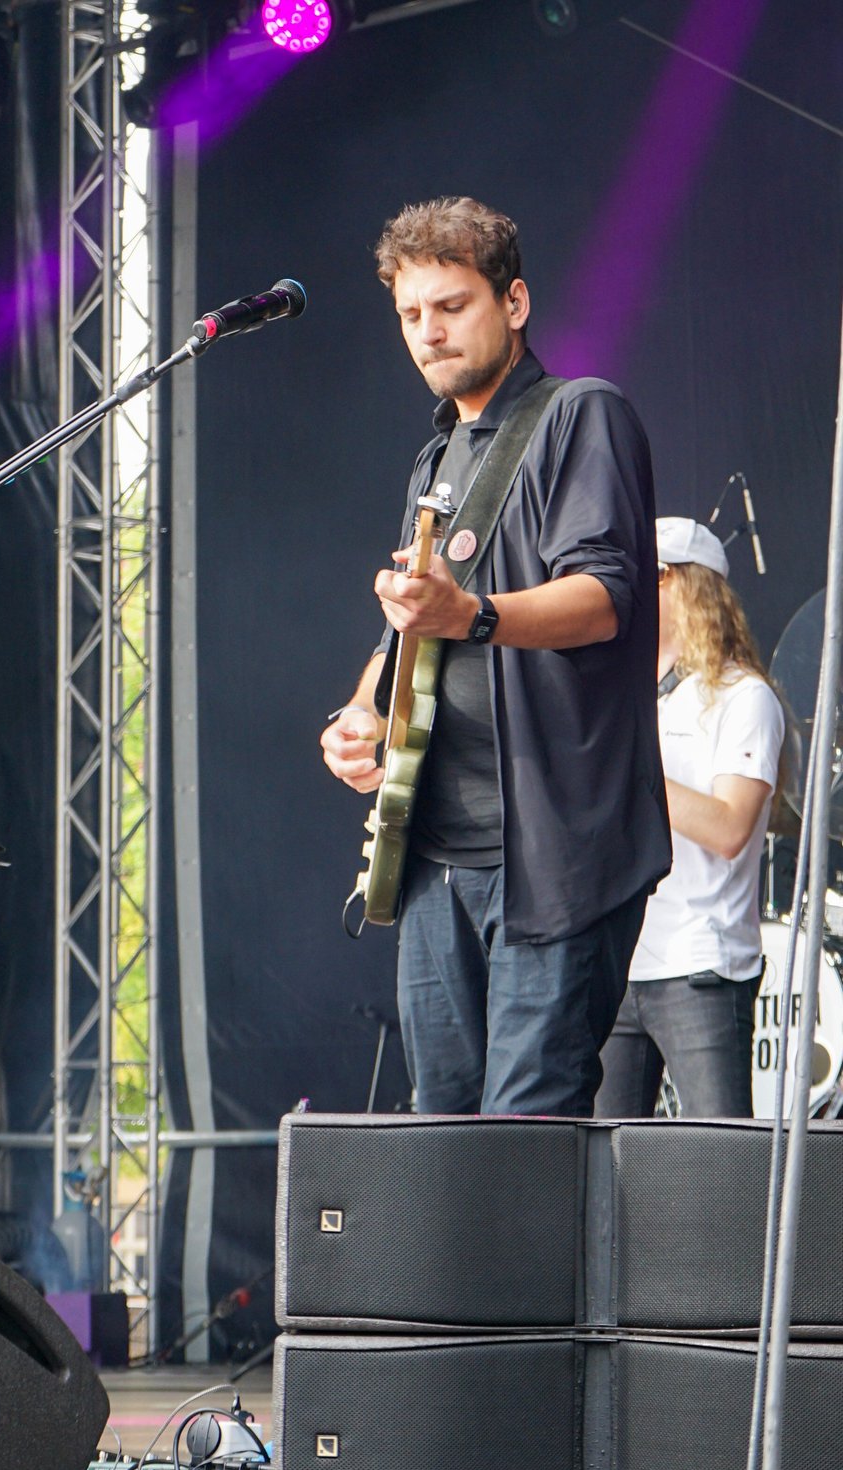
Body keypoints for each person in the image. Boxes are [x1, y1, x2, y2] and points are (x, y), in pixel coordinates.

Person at [320, 196, 671, 1117]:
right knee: (443, 1138)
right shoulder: (435, 459)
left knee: (528, 1137)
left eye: (452, 306)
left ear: (514, 303)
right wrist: (363, 717)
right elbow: (408, 622)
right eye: (410, 314)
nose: (428, 332)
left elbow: (604, 601)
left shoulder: (581, 415)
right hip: (433, 856)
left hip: (551, 856)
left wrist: (472, 614)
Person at [595, 517, 785, 1118]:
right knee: (601, 1158)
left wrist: (634, 769)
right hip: (620, 960)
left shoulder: (743, 697)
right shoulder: (626, 693)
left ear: (681, 584)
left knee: (718, 1161)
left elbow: (731, 828)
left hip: (700, 966)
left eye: (644, 580)